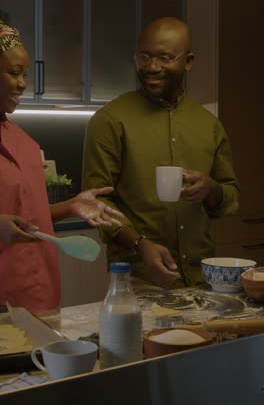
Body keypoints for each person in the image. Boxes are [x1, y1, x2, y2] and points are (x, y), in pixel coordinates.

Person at [82, 17, 240, 290]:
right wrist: (139, 244)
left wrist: (211, 189)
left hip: (203, 277)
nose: (152, 67)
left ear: (187, 61)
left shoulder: (208, 124)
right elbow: (97, 203)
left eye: (165, 58)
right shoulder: (110, 120)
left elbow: (230, 196)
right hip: (140, 281)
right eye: (144, 57)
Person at [0, 19, 123, 313]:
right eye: (14, 73)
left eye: (25, 74)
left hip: (37, 291)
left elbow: (27, 217)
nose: (22, 83)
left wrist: (71, 206)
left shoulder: (23, 141)